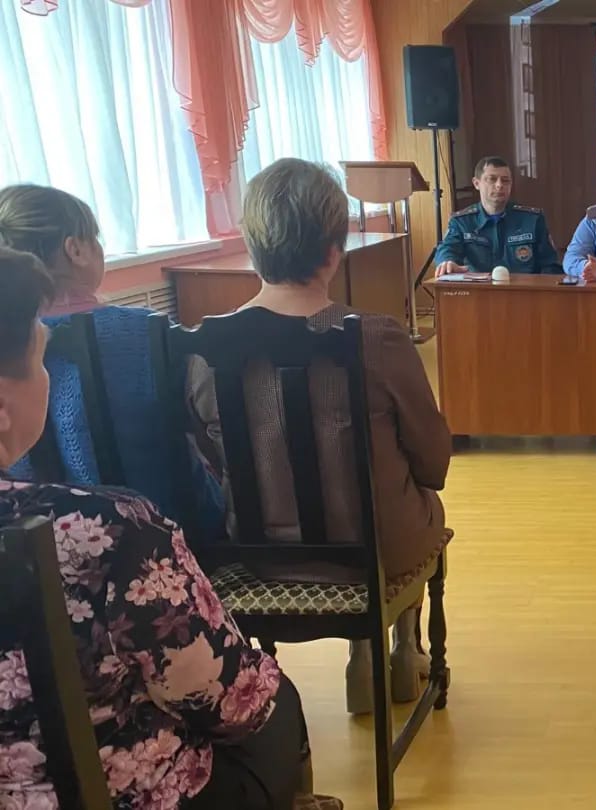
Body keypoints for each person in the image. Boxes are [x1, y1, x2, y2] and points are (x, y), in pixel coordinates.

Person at [0, 245, 309, 809]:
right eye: (42, 360)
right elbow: (234, 703)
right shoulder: (109, 532)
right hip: (132, 793)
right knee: (275, 702)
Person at [187, 159, 452, 714]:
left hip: (257, 558)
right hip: (374, 554)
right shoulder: (377, 337)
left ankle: (367, 653)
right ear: (335, 252)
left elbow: (209, 460)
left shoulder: (204, 350)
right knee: (419, 499)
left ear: (250, 246)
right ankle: (403, 647)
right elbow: (433, 462)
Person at [0, 184, 224, 538]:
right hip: (172, 527)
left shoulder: (11, 344)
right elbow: (209, 430)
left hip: (44, 539)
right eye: (95, 239)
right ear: (75, 249)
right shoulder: (147, 331)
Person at [434, 156, 562, 275]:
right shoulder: (461, 222)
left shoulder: (532, 220)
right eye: (492, 179)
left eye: (505, 180)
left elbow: (550, 266)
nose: (499, 185)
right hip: (478, 290)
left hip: (523, 290)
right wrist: (447, 261)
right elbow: (447, 249)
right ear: (476, 183)